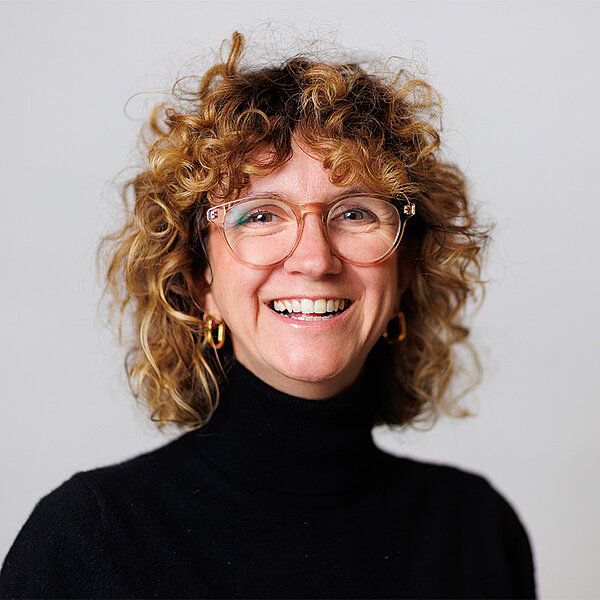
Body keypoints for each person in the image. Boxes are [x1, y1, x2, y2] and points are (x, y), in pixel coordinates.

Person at [0, 32, 536, 598]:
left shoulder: (477, 531)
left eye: (355, 212)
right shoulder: (89, 540)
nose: (315, 259)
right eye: (259, 215)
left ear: (404, 269)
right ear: (199, 279)